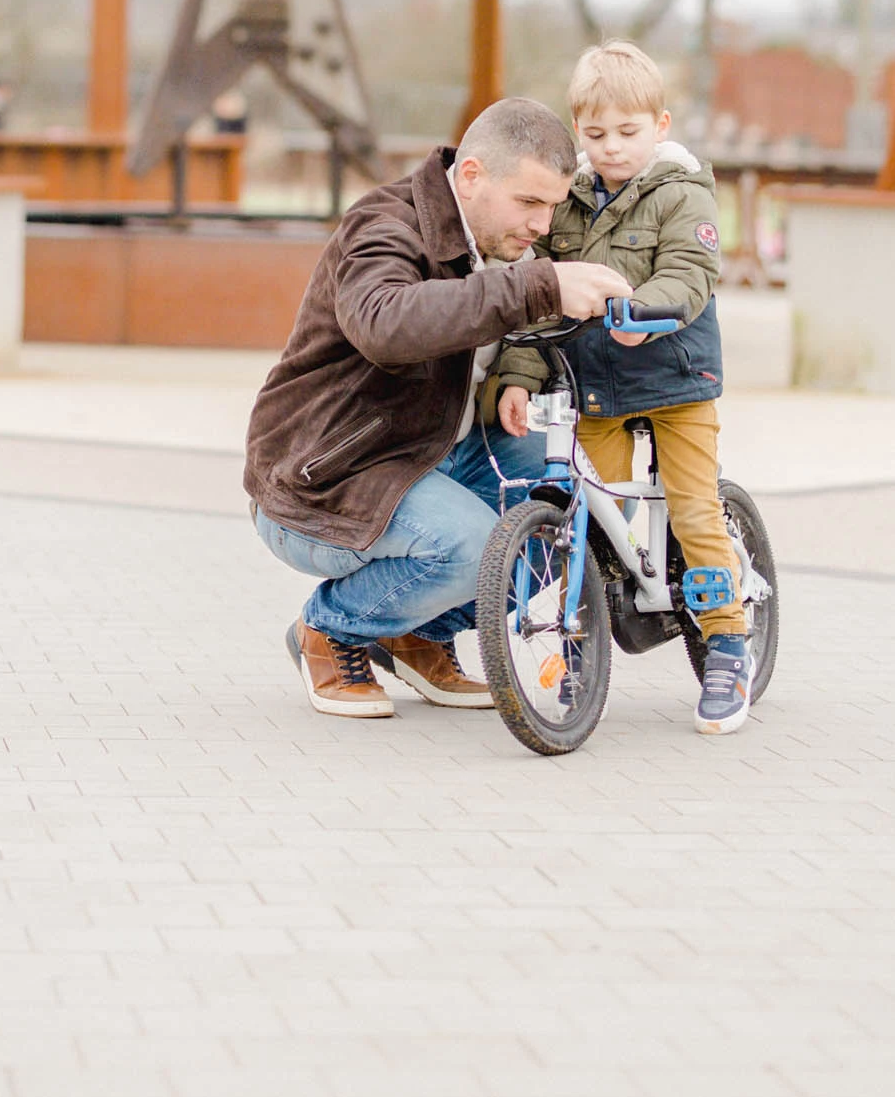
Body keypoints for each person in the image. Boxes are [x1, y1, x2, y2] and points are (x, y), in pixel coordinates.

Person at [244, 98, 618, 717]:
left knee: (579, 499)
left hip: (433, 453)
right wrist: (539, 286)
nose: (544, 226)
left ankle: (419, 634)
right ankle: (329, 630)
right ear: (470, 176)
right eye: (529, 203)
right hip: (327, 478)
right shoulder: (384, 225)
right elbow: (386, 323)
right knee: (473, 548)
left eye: (552, 205)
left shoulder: (506, 241)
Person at [488, 38, 751, 735]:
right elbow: (533, 297)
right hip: (594, 382)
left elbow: (691, 273)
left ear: (659, 127)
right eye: (595, 133)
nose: (610, 148)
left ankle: (726, 642)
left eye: (628, 133)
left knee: (694, 509)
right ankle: (582, 641)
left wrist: (646, 309)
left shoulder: (682, 191)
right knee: (591, 519)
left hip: (674, 376)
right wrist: (517, 375)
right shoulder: (566, 203)